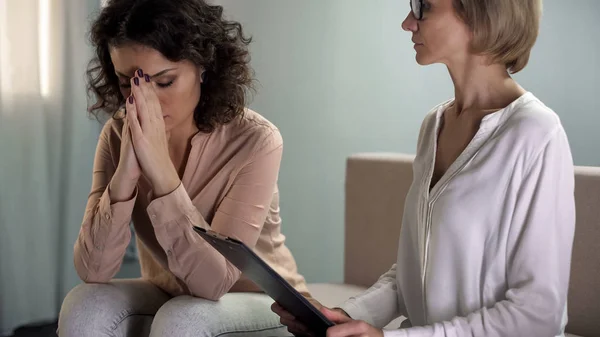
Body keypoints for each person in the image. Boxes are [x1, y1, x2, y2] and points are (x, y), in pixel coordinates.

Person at [273, 0, 575, 336]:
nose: (407, 23)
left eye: (423, 8)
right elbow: (415, 274)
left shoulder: (536, 133)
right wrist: (347, 314)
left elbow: (539, 314)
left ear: (481, 15)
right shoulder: (434, 124)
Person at [58, 0, 310, 336]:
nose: (144, 99)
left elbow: (213, 283)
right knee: (84, 303)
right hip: (171, 291)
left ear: (203, 68)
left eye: (163, 82)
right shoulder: (117, 134)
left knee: (184, 317)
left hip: (263, 303)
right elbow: (93, 270)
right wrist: (126, 176)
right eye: (125, 83)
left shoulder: (256, 141)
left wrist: (161, 171)